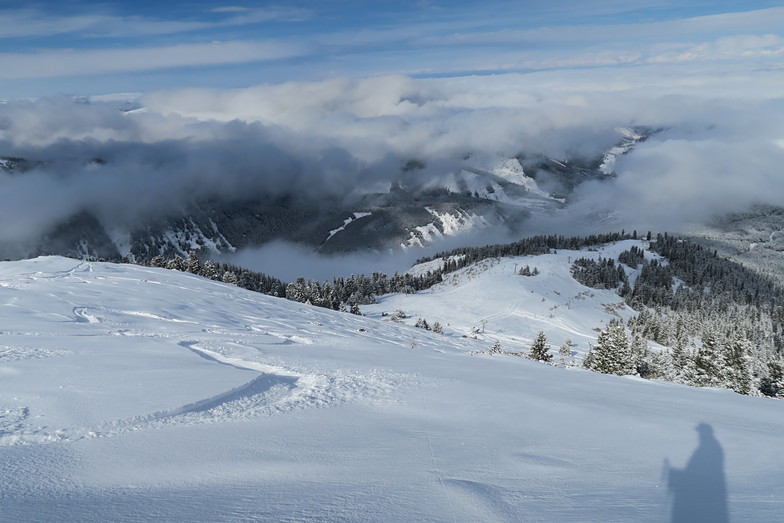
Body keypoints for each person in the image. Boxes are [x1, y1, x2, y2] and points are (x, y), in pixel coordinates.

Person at [667, 423, 729, 522]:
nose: (699, 435)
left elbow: (701, 473)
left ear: (707, 433)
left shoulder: (709, 448)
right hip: (708, 494)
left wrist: (678, 475)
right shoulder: (708, 447)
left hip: (706, 495)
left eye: (701, 432)